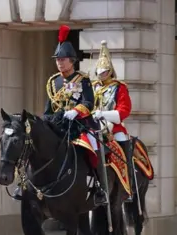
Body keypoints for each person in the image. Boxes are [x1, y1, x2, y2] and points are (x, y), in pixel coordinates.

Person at [12, 25, 107, 207]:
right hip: (58, 124)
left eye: (63, 60)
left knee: (93, 147)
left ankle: (98, 187)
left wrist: (76, 111)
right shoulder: (53, 81)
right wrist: (45, 121)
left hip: (80, 124)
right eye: (57, 59)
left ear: (72, 61)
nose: (59, 63)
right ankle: (24, 184)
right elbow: (49, 108)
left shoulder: (83, 79)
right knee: (32, 144)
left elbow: (89, 103)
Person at [92, 40, 134, 202]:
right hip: (94, 127)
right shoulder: (93, 87)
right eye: (99, 71)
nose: (101, 74)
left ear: (110, 71)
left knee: (122, 147)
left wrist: (104, 114)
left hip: (113, 128)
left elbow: (124, 110)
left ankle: (127, 185)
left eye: (104, 71)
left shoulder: (119, 87)